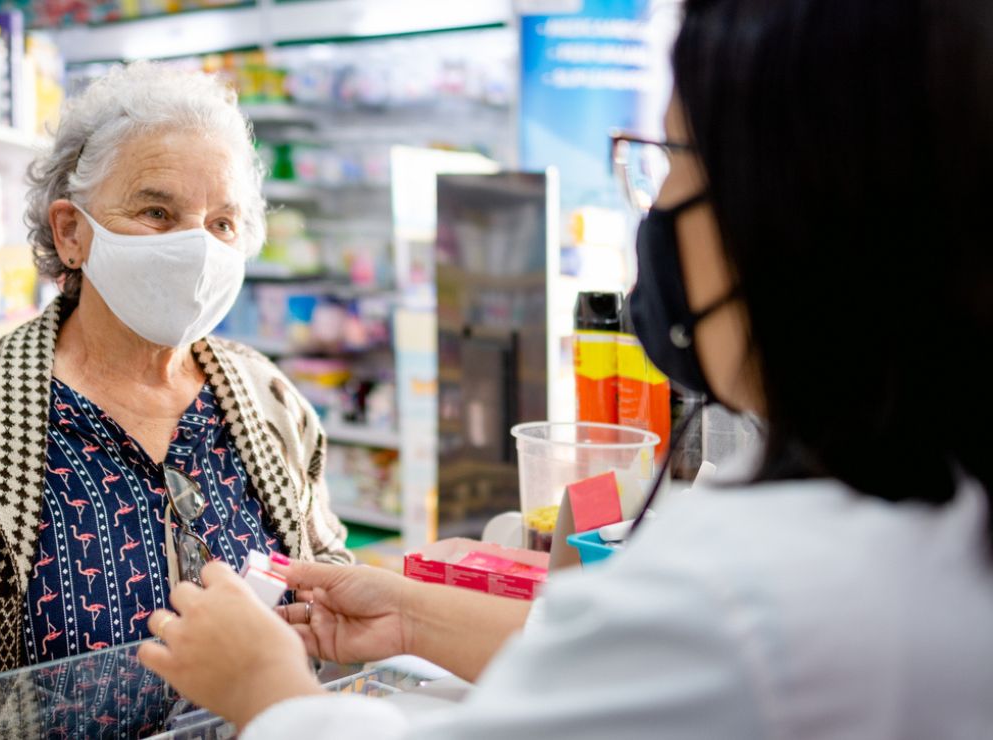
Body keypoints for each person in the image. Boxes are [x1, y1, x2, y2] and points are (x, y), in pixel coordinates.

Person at [135, 1, 993, 736]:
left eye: (675, 164)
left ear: (789, 213)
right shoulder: (925, 514)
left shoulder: (754, 595)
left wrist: (268, 694)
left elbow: (659, 659)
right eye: (155, 212)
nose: (655, 216)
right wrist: (413, 614)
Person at [0, 62, 352, 709]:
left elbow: (327, 575)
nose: (196, 248)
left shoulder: (270, 400)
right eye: (157, 211)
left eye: (222, 223)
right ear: (71, 232)